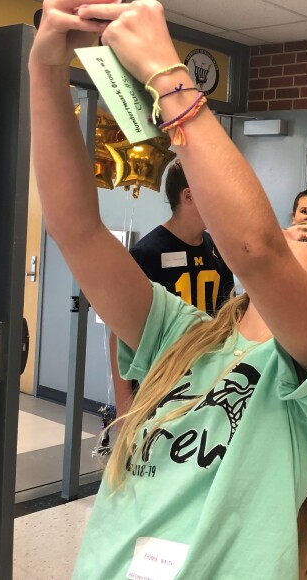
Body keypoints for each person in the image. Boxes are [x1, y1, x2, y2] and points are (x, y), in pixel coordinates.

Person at [32, 0, 307, 580]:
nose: (288, 233)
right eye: (294, 223)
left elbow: (256, 249)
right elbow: (77, 231)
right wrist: (46, 65)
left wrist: (167, 71)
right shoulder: (181, 335)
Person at [108, 160, 234, 420]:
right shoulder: (147, 254)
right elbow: (118, 334)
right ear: (188, 195)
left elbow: (227, 316)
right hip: (160, 384)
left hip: (206, 378)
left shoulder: (218, 249)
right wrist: (124, 407)